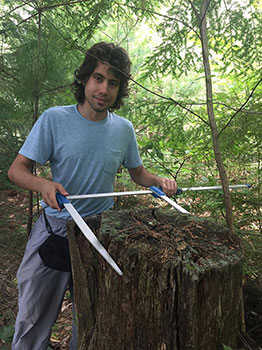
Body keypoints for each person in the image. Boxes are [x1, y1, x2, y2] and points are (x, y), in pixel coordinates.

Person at [8, 42, 177, 350]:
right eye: (98, 78)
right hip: (54, 232)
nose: (104, 89)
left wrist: (160, 182)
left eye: (113, 83)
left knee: (91, 323)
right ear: (85, 79)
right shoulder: (54, 119)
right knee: (32, 318)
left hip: (100, 234)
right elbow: (17, 171)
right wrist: (44, 185)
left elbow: (138, 174)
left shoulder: (123, 130)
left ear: (119, 89)